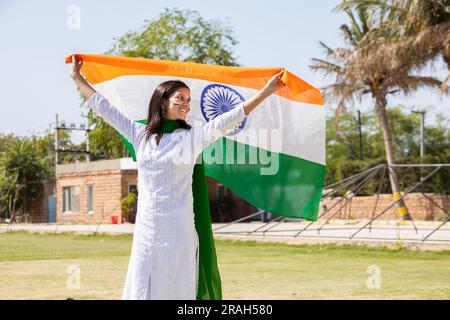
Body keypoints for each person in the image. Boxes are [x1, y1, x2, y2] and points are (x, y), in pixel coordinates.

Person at [70, 56, 285, 300]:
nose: (185, 104)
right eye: (179, 98)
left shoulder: (192, 138)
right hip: (147, 231)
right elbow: (103, 107)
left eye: (188, 100)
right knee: (143, 287)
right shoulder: (139, 135)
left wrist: (266, 92)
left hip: (179, 230)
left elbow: (229, 119)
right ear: (162, 102)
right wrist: (78, 78)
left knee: (178, 288)